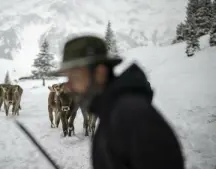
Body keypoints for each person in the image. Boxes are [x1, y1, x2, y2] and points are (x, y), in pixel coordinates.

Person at [50, 35, 185, 169]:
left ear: (99, 73)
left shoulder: (133, 117)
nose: (68, 87)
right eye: (67, 78)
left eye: (75, 76)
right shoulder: (112, 112)